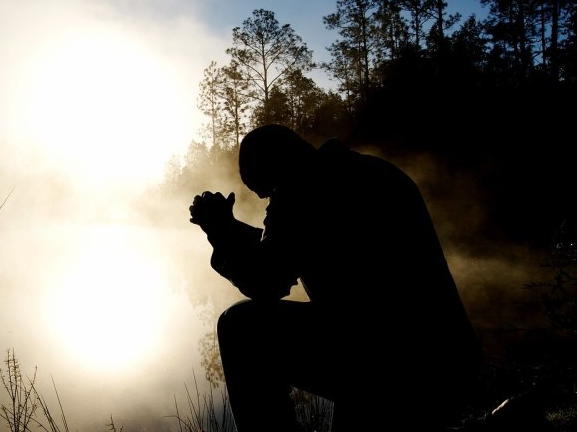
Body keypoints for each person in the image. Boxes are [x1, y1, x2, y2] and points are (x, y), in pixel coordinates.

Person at [189, 124, 482, 432]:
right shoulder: (365, 171)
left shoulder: (302, 191)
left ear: (278, 164)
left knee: (240, 327)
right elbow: (287, 246)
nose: (267, 201)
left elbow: (266, 281)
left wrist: (220, 233)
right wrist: (231, 229)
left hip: (389, 362)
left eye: (268, 190)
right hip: (447, 358)